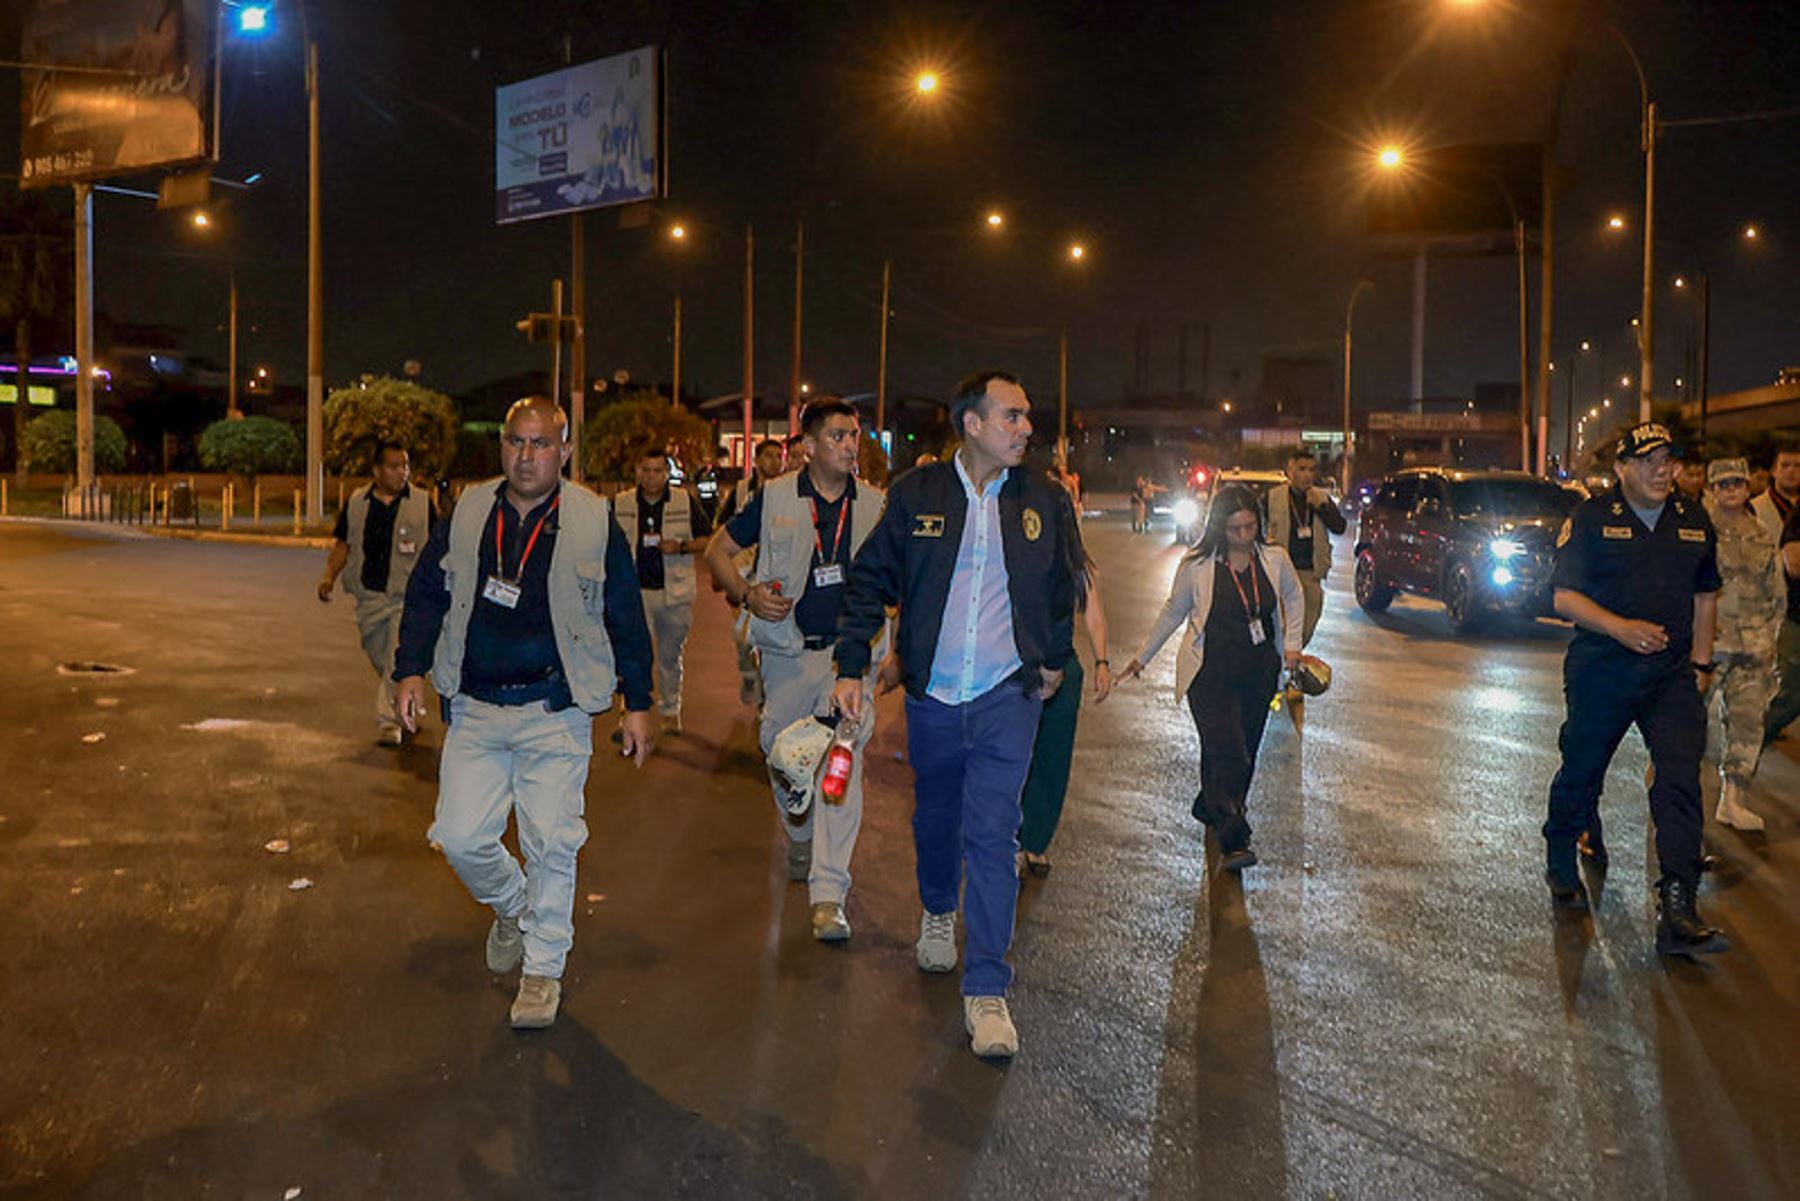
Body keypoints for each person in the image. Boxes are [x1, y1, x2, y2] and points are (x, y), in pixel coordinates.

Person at [832, 370, 1075, 1060]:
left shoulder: (1043, 500)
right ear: (971, 423)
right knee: (937, 818)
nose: (1026, 428)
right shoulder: (918, 495)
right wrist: (852, 662)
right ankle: (938, 908)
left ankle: (988, 988)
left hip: (1007, 693)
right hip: (934, 695)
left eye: (1027, 418)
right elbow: (871, 579)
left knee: (995, 836)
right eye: (1012, 416)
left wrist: (1053, 654)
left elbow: (1063, 583)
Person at [392, 397, 655, 1029]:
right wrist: (408, 668)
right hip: (477, 706)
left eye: (542, 445)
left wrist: (639, 702)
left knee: (551, 845)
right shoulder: (470, 512)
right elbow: (428, 592)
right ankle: (514, 907)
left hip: (554, 709)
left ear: (565, 452)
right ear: (502, 446)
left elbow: (624, 612)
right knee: (459, 837)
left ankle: (542, 971)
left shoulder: (593, 520)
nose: (527, 456)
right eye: (517, 442)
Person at [1541, 422, 1727, 957]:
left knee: (1678, 777)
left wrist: (1701, 664)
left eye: (1668, 459)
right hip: (1603, 664)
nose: (1662, 470)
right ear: (1622, 469)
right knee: (1582, 765)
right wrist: (1620, 627)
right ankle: (1560, 852)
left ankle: (1678, 902)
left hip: (1670, 674)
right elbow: (1564, 598)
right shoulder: (1593, 518)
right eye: (1648, 461)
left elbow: (1706, 595)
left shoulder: (1693, 518)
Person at [705, 399, 887, 940]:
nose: (850, 445)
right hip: (787, 657)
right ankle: (798, 831)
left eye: (854, 435)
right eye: (837, 436)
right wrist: (746, 594)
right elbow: (718, 551)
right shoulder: (776, 497)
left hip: (849, 663)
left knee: (841, 768)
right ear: (808, 447)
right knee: (780, 756)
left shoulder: (877, 505)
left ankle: (829, 894)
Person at [1120, 485, 1302, 872]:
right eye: (1235, 529)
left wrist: (1293, 649)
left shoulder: (1274, 560)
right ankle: (1234, 837)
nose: (1243, 536)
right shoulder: (1197, 565)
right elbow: (1173, 612)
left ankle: (1211, 803)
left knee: (1245, 752)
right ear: (1219, 527)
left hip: (1258, 672)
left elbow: (1294, 596)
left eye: (1250, 526)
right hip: (1210, 675)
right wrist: (1141, 659)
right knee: (1228, 749)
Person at [1017, 488, 1112, 877]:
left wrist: (1102, 661)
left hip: (1062, 671)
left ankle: (1034, 842)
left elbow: (1094, 614)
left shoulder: (1078, 565)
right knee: (1017, 759)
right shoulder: (1017, 555)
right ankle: (1012, 843)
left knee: (1052, 761)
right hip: (1018, 671)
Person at [317, 442, 434, 745]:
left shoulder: (423, 503)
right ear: (377, 471)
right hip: (369, 598)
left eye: (405, 466)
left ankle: (389, 722)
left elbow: (436, 551)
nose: (402, 472)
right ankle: (405, 708)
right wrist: (329, 576)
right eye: (395, 466)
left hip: (406, 599)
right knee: (381, 659)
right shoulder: (357, 502)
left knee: (396, 659)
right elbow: (344, 545)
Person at [1701, 458, 1786, 829]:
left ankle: (1732, 800)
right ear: (1711, 489)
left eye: (1737, 482)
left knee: (1748, 725)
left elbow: (1776, 591)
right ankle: (1674, 802)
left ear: (1749, 485)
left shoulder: (1761, 532)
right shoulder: (1699, 529)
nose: (1731, 489)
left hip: (1753, 647)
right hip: (1710, 645)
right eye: (1723, 484)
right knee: (1687, 725)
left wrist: (1770, 640)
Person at [612, 449, 711, 734]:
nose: (652, 476)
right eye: (646, 470)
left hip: (674, 593)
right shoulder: (620, 503)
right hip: (633, 594)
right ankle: (628, 713)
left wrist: (680, 546)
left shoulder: (683, 501)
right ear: (637, 472)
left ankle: (671, 710)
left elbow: (709, 539)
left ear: (667, 474)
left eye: (658, 470)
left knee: (669, 656)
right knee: (631, 657)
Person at [714, 439, 787, 707]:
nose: (774, 461)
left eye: (779, 456)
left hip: (775, 573)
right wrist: (720, 573)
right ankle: (749, 674)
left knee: (771, 639)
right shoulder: (742, 491)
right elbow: (721, 532)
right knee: (743, 636)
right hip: (744, 572)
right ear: (756, 461)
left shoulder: (788, 491)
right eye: (768, 456)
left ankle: (767, 700)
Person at [1265, 448, 1347, 647]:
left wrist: (1322, 507)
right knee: (1283, 629)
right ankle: (1280, 668)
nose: (1307, 475)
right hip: (1282, 574)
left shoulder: (1320, 498)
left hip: (1310, 573)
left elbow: (1339, 527)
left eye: (1311, 470)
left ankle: (1291, 662)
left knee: (1306, 627)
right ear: (1290, 470)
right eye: (1302, 469)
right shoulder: (1272, 498)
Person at [1755, 448, 1800, 744]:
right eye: (1786, 465)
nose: (1793, 471)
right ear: (1774, 469)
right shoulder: (1757, 508)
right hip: (1767, 604)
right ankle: (1750, 738)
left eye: (1798, 466)